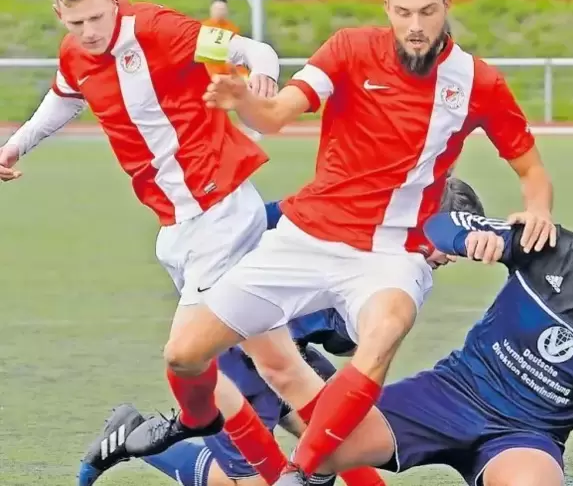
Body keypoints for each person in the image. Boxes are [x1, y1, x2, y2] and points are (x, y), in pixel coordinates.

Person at [123, 0, 556, 484]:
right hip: (305, 238)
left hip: (391, 253)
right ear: (388, 9)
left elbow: (531, 169)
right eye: (404, 12)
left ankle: (303, 473)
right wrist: (243, 97)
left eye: (427, 12)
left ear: (447, 7)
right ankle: (196, 420)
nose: (415, 25)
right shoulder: (348, 48)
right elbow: (277, 114)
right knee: (183, 354)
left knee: (385, 328)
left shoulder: (478, 82)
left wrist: (538, 209)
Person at [0, 0, 288, 481]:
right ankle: (261, 463)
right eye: (76, 23)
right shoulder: (76, 52)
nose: (90, 33)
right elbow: (66, 95)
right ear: (58, 14)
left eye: (96, 18)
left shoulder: (160, 29)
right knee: (272, 363)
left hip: (222, 214)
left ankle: (188, 433)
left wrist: (261, 74)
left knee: (193, 358)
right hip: (176, 230)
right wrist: (16, 145)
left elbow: (252, 50)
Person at [291, 200, 573, 486]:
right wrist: (467, 238)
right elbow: (439, 223)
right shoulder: (545, 246)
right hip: (449, 394)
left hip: (526, 435)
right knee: (326, 449)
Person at [79, 177, 484, 486]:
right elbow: (249, 230)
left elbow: (340, 339)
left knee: (347, 446)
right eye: (453, 239)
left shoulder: (400, 265)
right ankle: (135, 436)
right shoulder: (337, 231)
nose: (454, 253)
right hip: (238, 351)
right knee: (251, 480)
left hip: (289, 353)